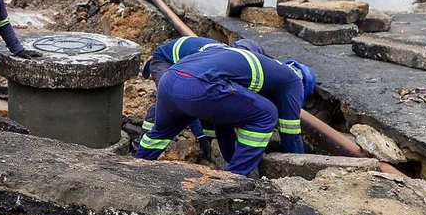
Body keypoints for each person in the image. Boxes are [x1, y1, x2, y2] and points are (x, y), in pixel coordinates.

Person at [135, 43, 315, 177]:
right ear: (305, 85)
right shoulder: (293, 80)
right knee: (267, 113)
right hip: (199, 86)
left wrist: (231, 156)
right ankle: (233, 181)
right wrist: (298, 171)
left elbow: (223, 120)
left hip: (170, 79)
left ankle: (132, 170)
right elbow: (290, 133)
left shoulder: (247, 63)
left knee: (158, 135)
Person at [140, 36, 268, 159]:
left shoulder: (228, 58)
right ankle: (139, 150)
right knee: (170, 101)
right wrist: (200, 136)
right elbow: (186, 103)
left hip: (186, 64)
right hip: (165, 60)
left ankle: (210, 139)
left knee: (207, 99)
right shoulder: (224, 60)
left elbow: (221, 115)